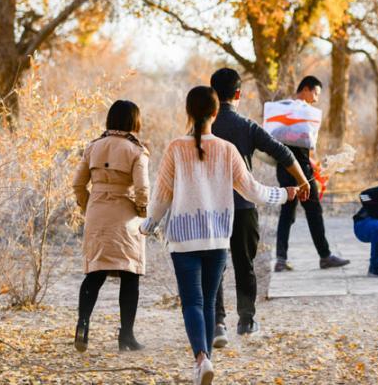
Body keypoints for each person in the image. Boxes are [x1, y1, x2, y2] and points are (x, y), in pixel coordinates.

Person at [140, 86, 298, 385]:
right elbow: (254, 192)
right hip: (217, 239)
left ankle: (201, 359)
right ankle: (206, 361)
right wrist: (285, 194)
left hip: (184, 241)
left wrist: (148, 225)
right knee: (210, 301)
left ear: (188, 112)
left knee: (192, 303)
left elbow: (161, 196)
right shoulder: (227, 150)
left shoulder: (175, 147)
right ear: (215, 113)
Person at [209, 68, 311, 344]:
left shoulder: (203, 128)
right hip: (243, 205)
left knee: (215, 266)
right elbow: (283, 152)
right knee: (245, 264)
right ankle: (246, 320)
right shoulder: (246, 126)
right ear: (238, 94)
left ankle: (218, 324)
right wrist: (302, 182)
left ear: (212, 93)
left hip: (210, 208)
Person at [72, 99, 149, 353]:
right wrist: (141, 212)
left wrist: (88, 206)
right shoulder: (137, 151)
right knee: (130, 275)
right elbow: (142, 189)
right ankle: (126, 335)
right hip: (124, 215)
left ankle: (83, 324)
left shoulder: (92, 147)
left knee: (94, 272)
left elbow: (77, 184)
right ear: (133, 122)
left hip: (97, 213)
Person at [274, 76, 350, 271]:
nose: (316, 99)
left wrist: (314, 163)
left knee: (287, 213)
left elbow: (290, 144)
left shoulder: (283, 111)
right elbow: (304, 145)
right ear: (306, 89)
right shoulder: (302, 113)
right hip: (302, 174)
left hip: (284, 170)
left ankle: (281, 260)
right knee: (314, 212)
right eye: (315, 93)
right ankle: (325, 256)